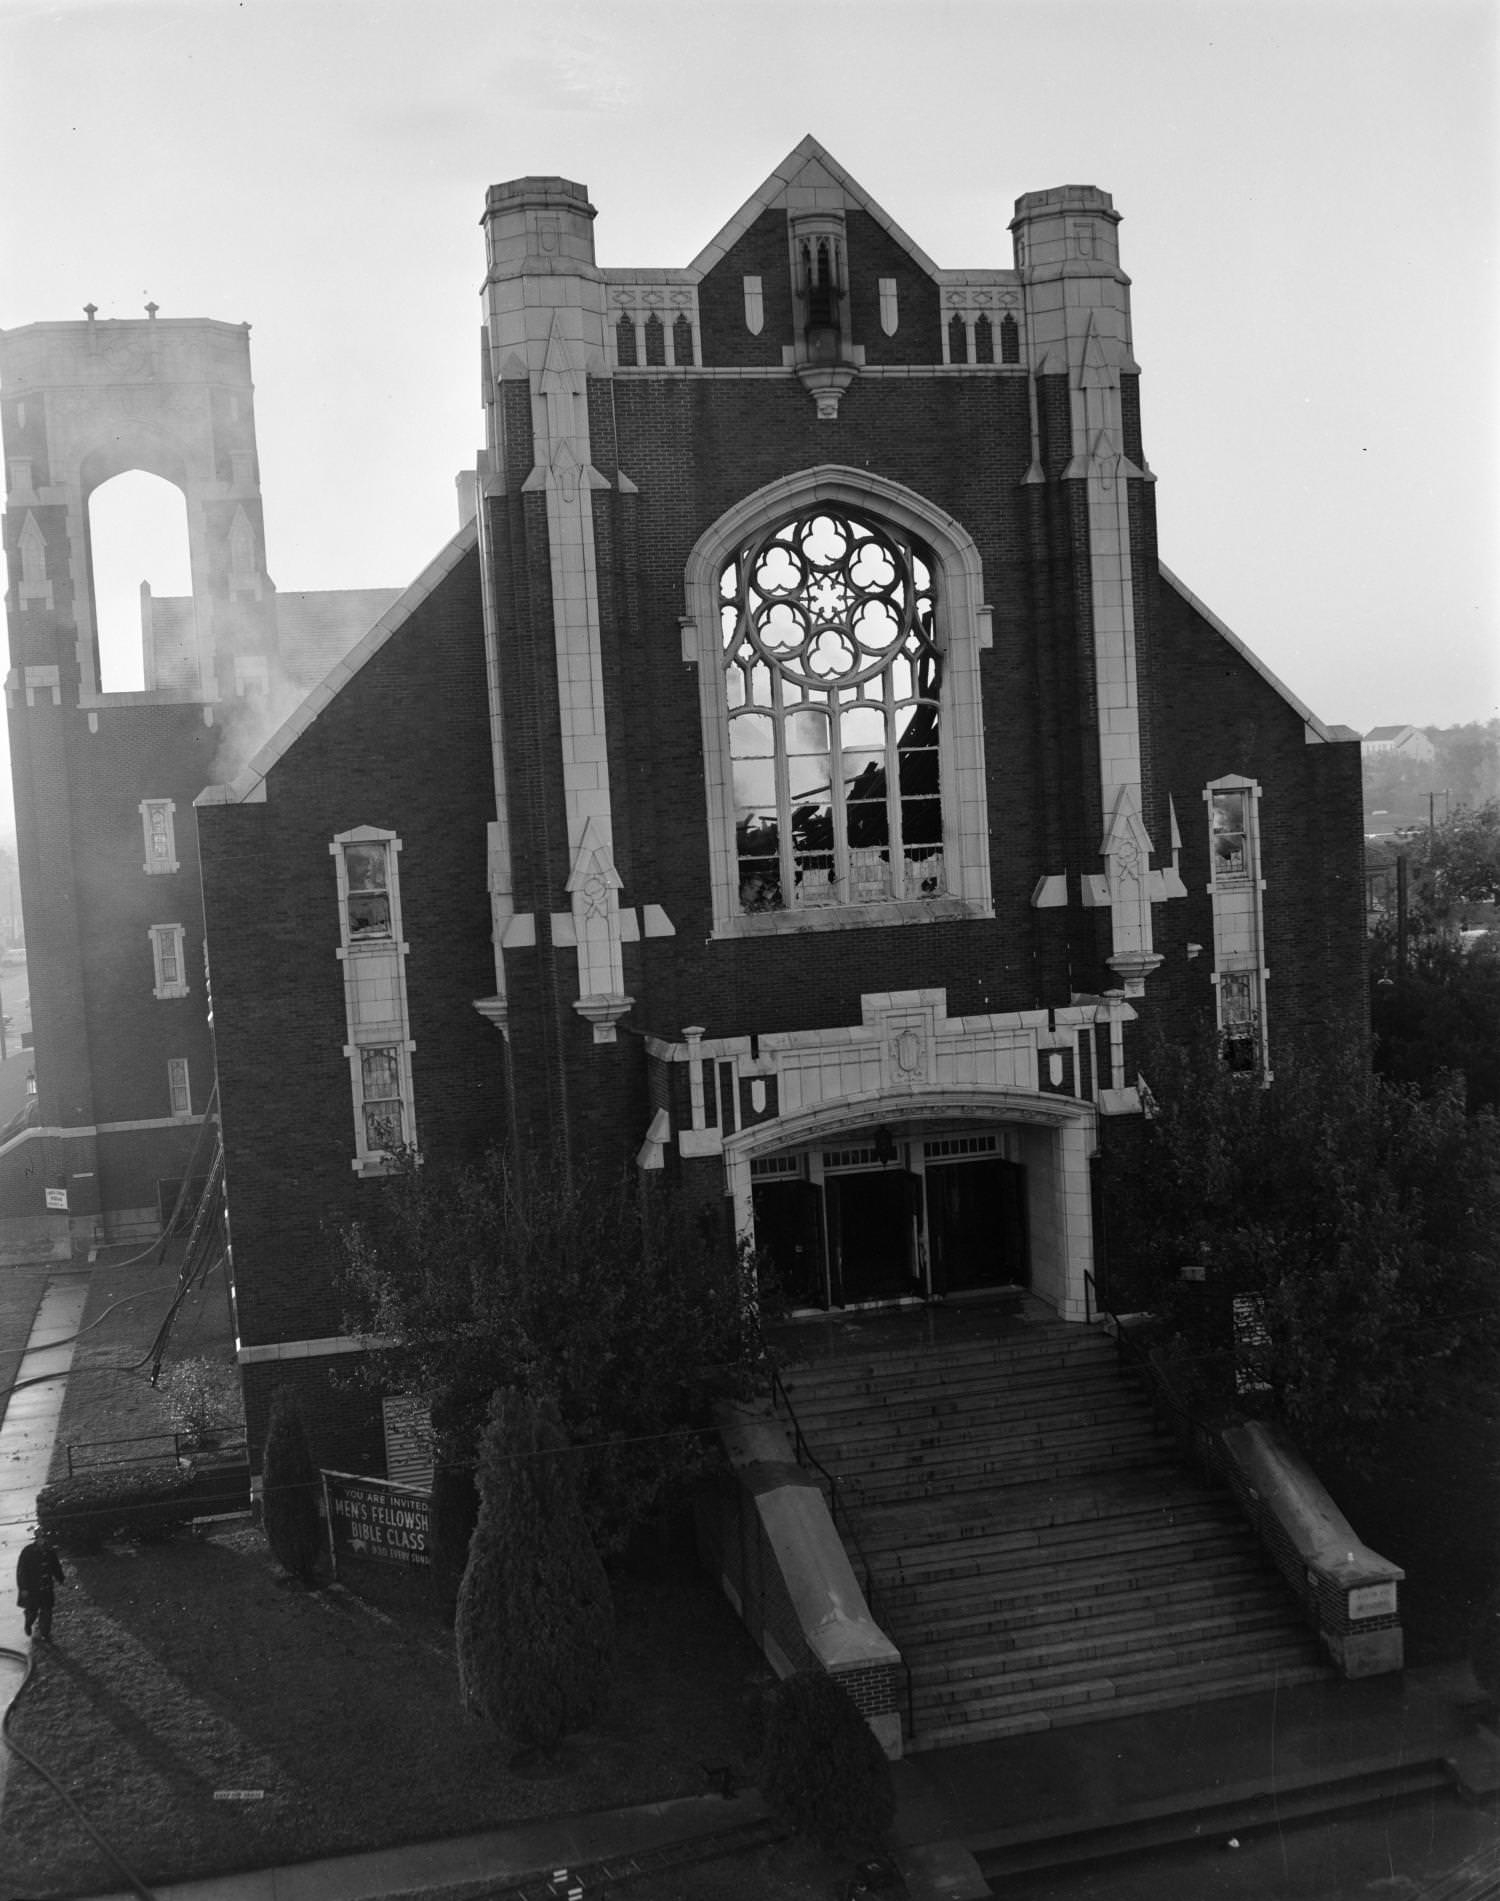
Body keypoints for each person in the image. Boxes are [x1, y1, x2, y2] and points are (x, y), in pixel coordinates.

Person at [16, 1525, 64, 1642]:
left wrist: (61, 1578)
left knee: (47, 1611)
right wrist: (23, 1588)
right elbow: (22, 1571)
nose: (42, 1540)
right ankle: (28, 1623)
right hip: (32, 1588)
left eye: (43, 1538)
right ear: (36, 1539)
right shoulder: (28, 1552)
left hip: (46, 1587)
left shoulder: (50, 1552)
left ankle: (45, 1634)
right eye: (39, 1538)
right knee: (32, 1611)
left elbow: (55, 1566)